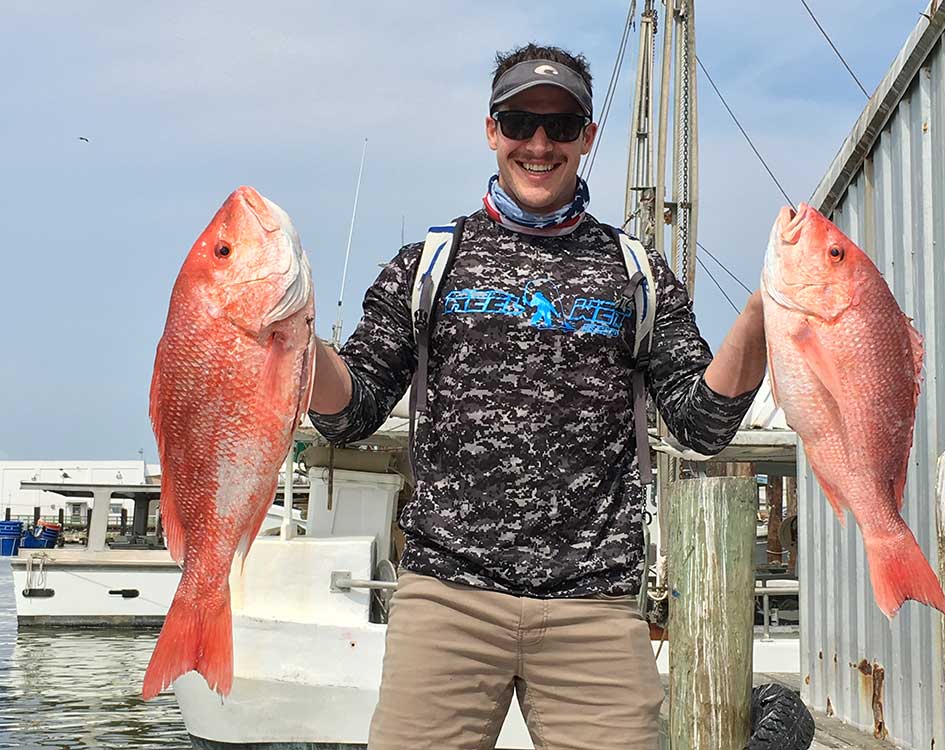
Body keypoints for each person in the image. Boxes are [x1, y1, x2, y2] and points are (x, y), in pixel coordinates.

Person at [308, 43, 767, 750]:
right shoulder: (432, 263)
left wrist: (764, 318)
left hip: (596, 609)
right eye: (520, 121)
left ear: (588, 135)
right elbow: (350, 411)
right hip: (447, 599)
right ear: (492, 130)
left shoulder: (635, 271)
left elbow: (700, 427)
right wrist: (293, 339)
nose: (539, 144)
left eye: (560, 125)